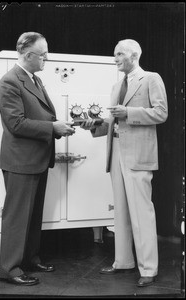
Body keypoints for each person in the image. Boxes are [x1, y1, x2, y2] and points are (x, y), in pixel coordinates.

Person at [81, 39, 168, 287]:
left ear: (134, 55)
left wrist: (128, 113)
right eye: (115, 54)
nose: (115, 58)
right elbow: (113, 122)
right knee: (120, 211)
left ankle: (149, 269)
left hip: (138, 154)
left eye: (119, 54)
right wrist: (95, 125)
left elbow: (161, 113)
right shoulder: (117, 85)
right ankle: (123, 261)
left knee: (142, 213)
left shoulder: (151, 78)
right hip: (116, 150)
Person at [0, 32, 75, 286]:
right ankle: (9, 269)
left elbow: (41, 114)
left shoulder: (35, 80)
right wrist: (53, 128)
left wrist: (60, 125)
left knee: (32, 215)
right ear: (28, 55)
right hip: (20, 162)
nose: (47, 59)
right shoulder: (9, 82)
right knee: (17, 217)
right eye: (43, 55)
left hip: (36, 159)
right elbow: (16, 123)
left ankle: (29, 259)